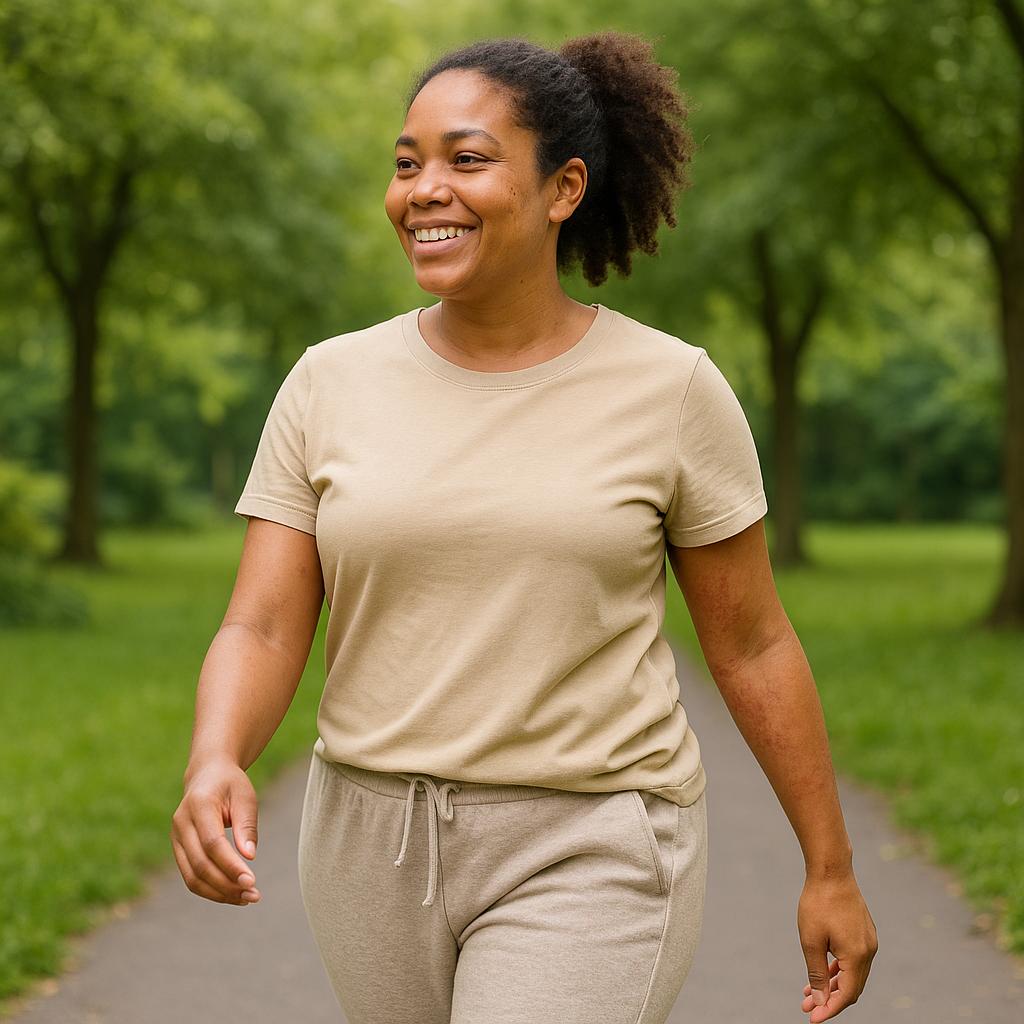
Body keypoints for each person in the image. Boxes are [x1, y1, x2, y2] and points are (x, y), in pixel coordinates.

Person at [171, 29, 877, 1024]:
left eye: (466, 159)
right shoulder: (329, 382)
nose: (424, 189)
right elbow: (263, 624)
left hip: (593, 836)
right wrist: (216, 755)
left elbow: (753, 640)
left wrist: (830, 865)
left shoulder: (669, 388)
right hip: (369, 842)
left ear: (563, 188)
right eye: (406, 163)